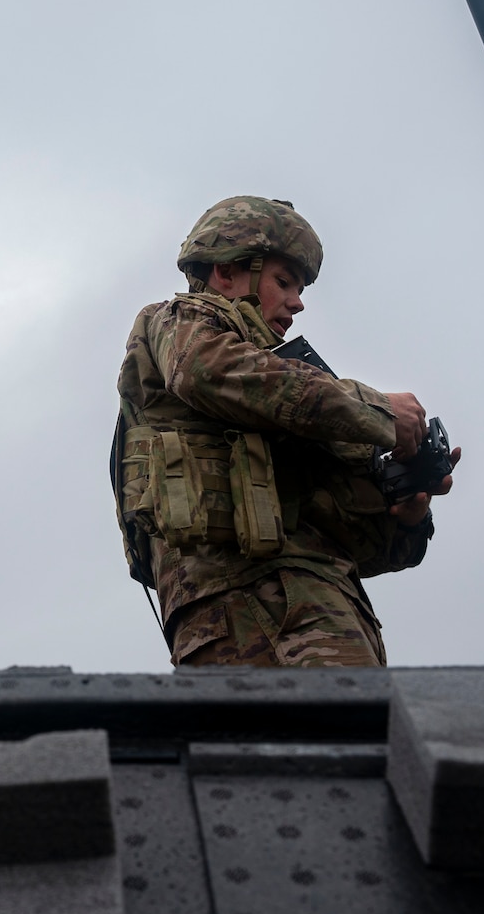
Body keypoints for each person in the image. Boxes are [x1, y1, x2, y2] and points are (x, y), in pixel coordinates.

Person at [113, 195, 457, 667]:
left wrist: (407, 513)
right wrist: (375, 410)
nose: (296, 302)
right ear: (226, 273)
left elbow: (351, 547)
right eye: (283, 281)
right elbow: (207, 371)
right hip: (256, 604)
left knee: (360, 738)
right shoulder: (180, 321)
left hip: (309, 606)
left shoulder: (293, 406)